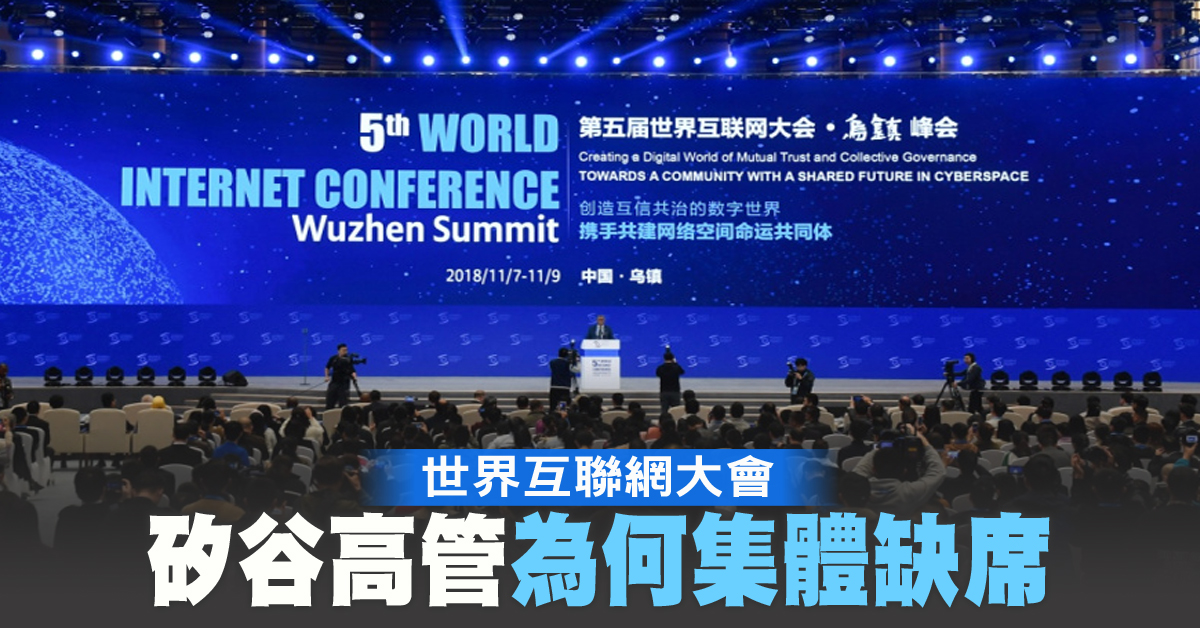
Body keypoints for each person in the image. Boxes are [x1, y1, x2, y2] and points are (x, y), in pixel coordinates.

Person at [323, 343, 358, 409]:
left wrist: (355, 377)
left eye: (346, 350)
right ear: (339, 350)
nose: (345, 351)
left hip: (344, 383)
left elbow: (352, 370)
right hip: (334, 382)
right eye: (343, 350)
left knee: (343, 402)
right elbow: (327, 368)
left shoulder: (348, 359)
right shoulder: (333, 358)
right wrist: (326, 376)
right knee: (330, 400)